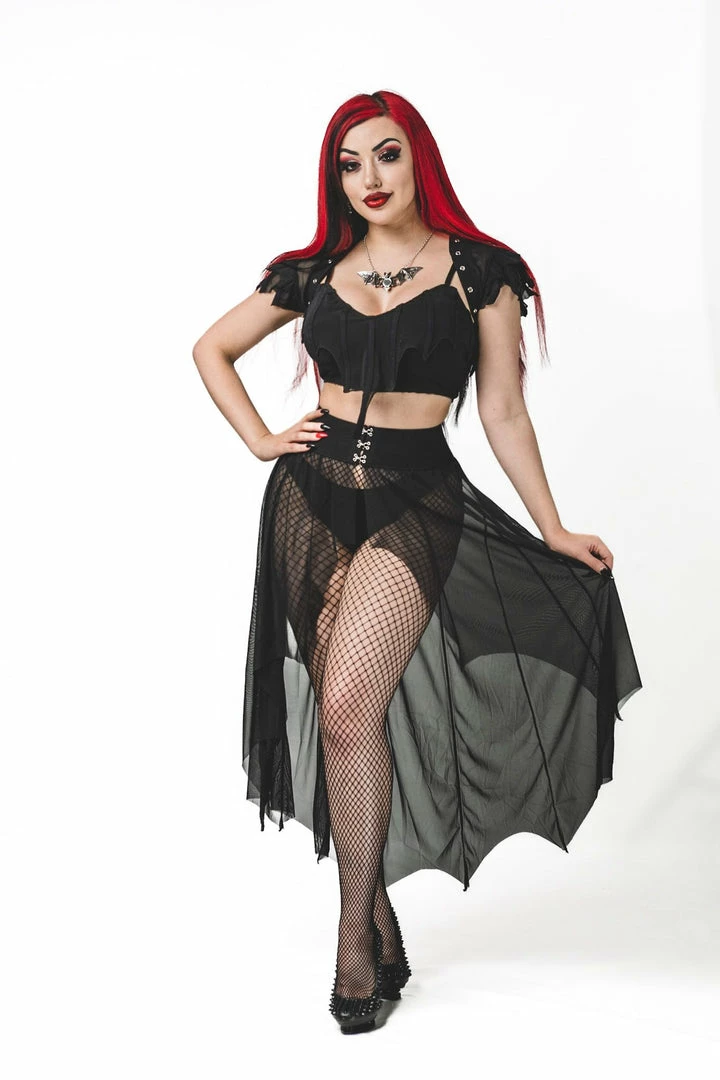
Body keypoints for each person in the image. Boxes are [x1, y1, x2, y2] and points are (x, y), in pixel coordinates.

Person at [192, 89, 642, 1035]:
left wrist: (553, 525)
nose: (369, 177)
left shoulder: (482, 271)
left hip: (415, 500)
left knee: (353, 698)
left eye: (386, 154)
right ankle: (381, 915)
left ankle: (353, 936)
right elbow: (211, 348)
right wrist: (261, 440)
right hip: (310, 499)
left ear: (418, 159)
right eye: (349, 163)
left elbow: (503, 410)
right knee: (343, 714)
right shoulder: (312, 271)